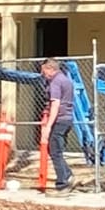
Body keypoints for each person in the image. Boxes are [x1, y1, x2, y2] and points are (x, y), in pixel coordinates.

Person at [40, 57, 75, 192]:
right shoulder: (66, 80)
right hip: (68, 119)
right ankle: (67, 174)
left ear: (51, 69)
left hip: (59, 120)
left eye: (44, 71)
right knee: (55, 151)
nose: (44, 75)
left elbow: (55, 104)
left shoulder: (55, 82)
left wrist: (48, 126)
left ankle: (63, 183)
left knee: (55, 152)